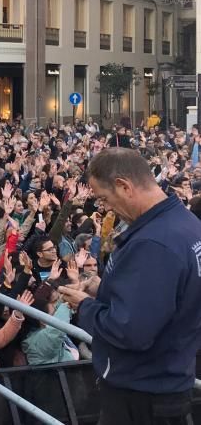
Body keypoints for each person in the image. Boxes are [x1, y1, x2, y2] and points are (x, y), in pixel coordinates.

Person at [59, 148, 201, 425]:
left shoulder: (153, 243)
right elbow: (162, 299)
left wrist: (85, 307)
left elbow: (130, 332)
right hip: (166, 380)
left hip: (141, 395)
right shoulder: (185, 224)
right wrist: (105, 290)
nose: (106, 208)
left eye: (104, 198)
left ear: (124, 186)